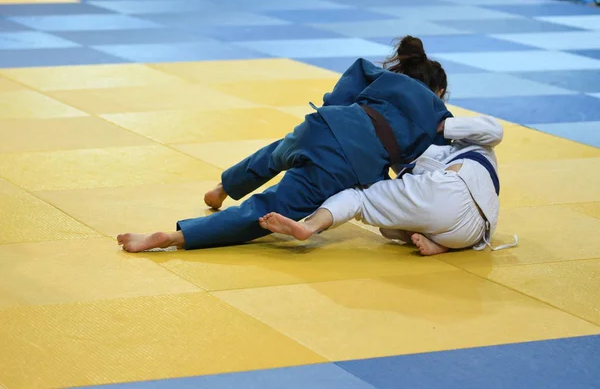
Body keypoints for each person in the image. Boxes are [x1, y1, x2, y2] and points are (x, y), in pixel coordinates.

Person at [118, 36, 453, 253]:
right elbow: (420, 169)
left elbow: (351, 78)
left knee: (275, 154)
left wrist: (334, 113)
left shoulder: (387, 79)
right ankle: (173, 237)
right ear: (438, 90)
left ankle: (223, 186)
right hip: (345, 164)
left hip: (324, 124)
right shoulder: (439, 114)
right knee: (267, 209)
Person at [258, 114, 518, 256]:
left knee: (358, 198)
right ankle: (442, 244)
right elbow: (391, 224)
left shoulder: (462, 142)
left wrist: (441, 124)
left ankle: (308, 226)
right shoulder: (479, 153)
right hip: (476, 232)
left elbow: (496, 130)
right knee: (390, 225)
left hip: (450, 193)